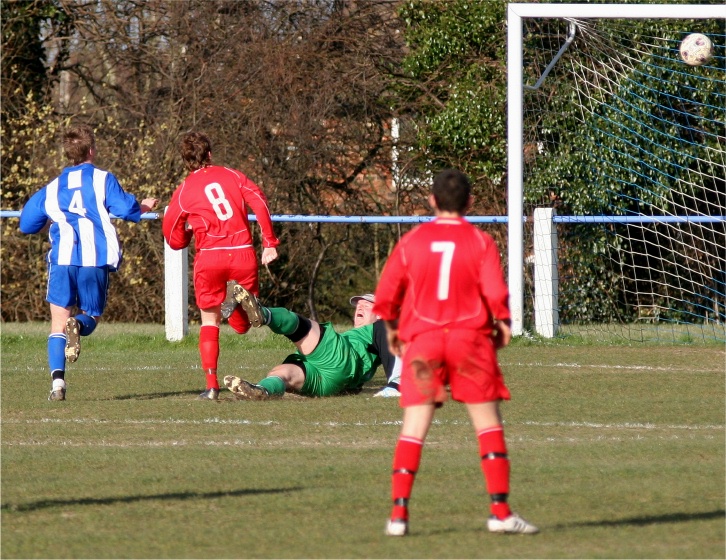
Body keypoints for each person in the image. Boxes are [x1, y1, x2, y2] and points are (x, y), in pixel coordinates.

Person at [373, 169, 538, 536]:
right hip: (469, 340)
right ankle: (500, 512)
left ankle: (398, 517)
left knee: (414, 428)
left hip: (424, 342)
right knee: (488, 425)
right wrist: (506, 322)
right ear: (470, 203)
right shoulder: (480, 242)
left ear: (431, 200)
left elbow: (386, 294)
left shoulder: (412, 241)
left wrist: (392, 329)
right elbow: (495, 291)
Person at [19, 124, 159, 401]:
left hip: (62, 260)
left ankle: (57, 384)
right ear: (92, 150)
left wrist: (51, 217)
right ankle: (79, 327)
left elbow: (26, 224)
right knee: (91, 315)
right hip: (94, 258)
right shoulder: (103, 179)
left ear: (67, 154)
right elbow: (125, 209)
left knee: (58, 323)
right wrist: (142, 206)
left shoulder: (52, 188)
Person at [162, 131, 280, 400]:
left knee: (209, 321)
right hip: (242, 253)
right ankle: (237, 303)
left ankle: (211, 386)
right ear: (210, 154)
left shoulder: (183, 191)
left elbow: (171, 232)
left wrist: (185, 237)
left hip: (209, 257)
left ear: (185, 161)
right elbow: (258, 200)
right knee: (243, 326)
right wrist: (269, 242)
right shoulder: (233, 175)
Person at [222, 289, 400, 399]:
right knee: (284, 374)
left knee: (303, 326)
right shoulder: (361, 338)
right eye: (357, 305)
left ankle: (264, 313)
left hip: (341, 360)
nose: (359, 307)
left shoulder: (381, 329)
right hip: (329, 385)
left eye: (367, 305)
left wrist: (395, 383)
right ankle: (263, 391)